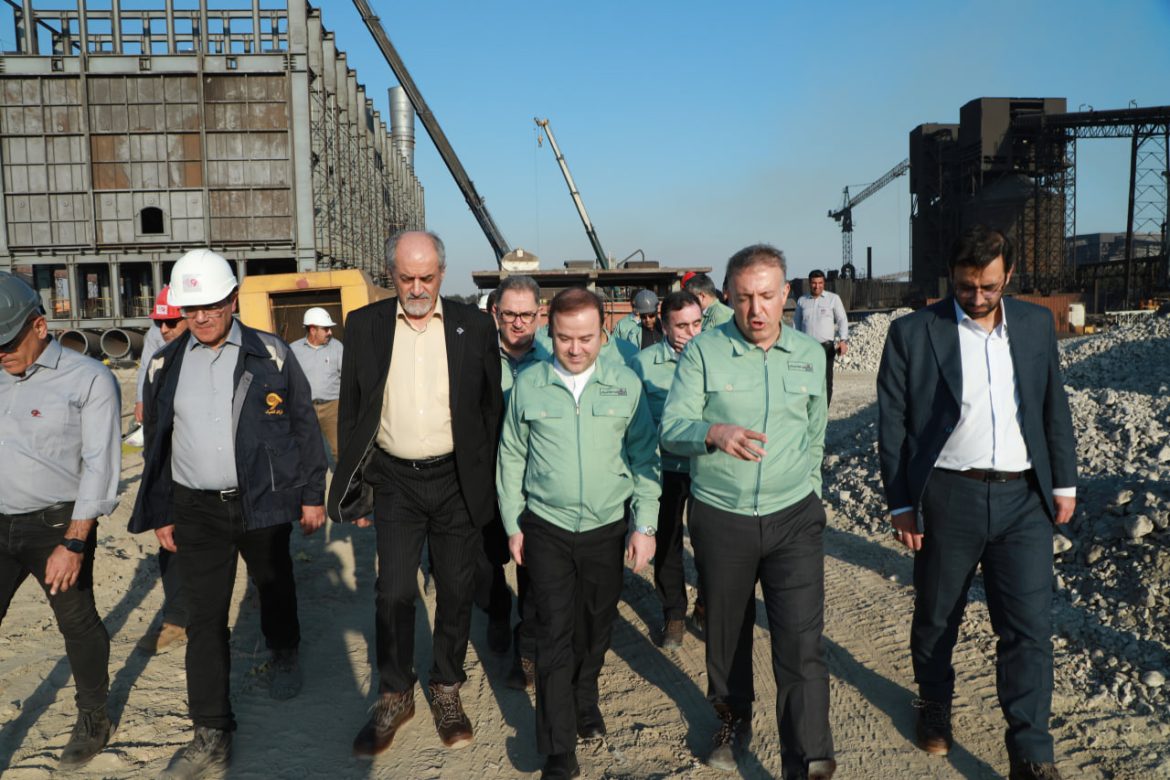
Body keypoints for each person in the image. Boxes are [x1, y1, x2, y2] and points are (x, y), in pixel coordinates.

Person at [877, 225, 1076, 780]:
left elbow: (1051, 403)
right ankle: (934, 704)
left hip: (1024, 500)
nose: (978, 297)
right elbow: (892, 424)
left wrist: (1064, 482)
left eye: (989, 286)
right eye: (967, 287)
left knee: (1028, 628)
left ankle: (1031, 753)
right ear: (952, 277)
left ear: (1008, 275)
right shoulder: (913, 332)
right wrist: (901, 503)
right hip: (948, 496)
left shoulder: (1035, 324)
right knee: (938, 616)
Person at [130, 249, 327, 778]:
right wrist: (162, 509)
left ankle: (284, 649)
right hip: (195, 509)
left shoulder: (272, 353)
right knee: (205, 618)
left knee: (274, 583)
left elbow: (304, 425)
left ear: (232, 301)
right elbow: (157, 445)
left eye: (211, 306)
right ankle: (211, 733)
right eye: (191, 309)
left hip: (261, 498)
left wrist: (312, 493)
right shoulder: (164, 365)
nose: (201, 317)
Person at [662, 245, 836, 780]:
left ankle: (807, 757)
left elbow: (814, 432)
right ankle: (732, 717)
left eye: (766, 296)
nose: (755, 309)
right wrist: (712, 432)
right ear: (728, 298)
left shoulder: (810, 354)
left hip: (793, 517)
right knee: (727, 633)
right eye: (743, 298)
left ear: (786, 294)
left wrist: (811, 493)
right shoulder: (703, 353)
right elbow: (672, 428)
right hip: (722, 516)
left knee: (800, 642)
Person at [327, 230, 502, 757]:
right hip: (396, 481)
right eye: (407, 278)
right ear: (392, 276)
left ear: (442, 274)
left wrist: (484, 481)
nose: (418, 288)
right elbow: (353, 411)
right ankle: (396, 692)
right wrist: (358, 488)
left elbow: (489, 410)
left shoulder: (474, 326)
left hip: (455, 479)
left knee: (456, 588)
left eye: (427, 277)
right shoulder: (365, 326)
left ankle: (446, 685)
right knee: (395, 591)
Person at [497, 286, 660, 780]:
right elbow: (511, 455)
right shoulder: (530, 385)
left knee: (594, 627)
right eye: (565, 338)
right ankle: (558, 748)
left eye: (586, 338)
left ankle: (585, 696)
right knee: (553, 633)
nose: (575, 349)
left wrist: (644, 525)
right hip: (546, 527)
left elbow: (644, 455)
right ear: (550, 332)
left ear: (602, 333)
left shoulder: (625, 385)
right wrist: (513, 523)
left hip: (606, 529)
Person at [0, 271, 121, 768]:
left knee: (76, 622)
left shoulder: (88, 379)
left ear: (39, 326)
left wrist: (74, 542)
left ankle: (93, 717)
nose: (1, 353)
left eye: (8, 341)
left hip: (56, 527)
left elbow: (100, 465)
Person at [480, 275, 548, 690]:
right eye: (509, 314)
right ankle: (496, 612)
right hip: (484, 477)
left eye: (526, 314)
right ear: (495, 314)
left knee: (532, 568)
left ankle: (527, 649)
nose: (518, 322)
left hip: (532, 483)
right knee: (486, 564)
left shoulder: (556, 359)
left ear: (540, 314)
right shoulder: (477, 358)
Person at [630, 290, 702, 649]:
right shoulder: (642, 365)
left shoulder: (715, 360)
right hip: (664, 469)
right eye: (682, 326)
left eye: (697, 324)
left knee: (711, 545)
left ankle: (706, 606)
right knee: (669, 543)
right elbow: (635, 425)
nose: (691, 333)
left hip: (707, 468)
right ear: (664, 325)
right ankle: (673, 613)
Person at [134, 286, 191, 656]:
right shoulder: (160, 354)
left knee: (259, 548)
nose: (164, 329)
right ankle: (178, 619)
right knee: (171, 544)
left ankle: (276, 629)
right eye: (160, 323)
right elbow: (145, 369)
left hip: (225, 473)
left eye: (171, 322)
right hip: (176, 464)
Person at [289, 306, 344, 465]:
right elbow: (289, 379)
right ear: (313, 330)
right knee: (306, 449)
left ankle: (345, 479)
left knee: (340, 449)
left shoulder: (337, 347)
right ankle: (313, 478)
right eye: (326, 329)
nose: (330, 332)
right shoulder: (293, 350)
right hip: (305, 408)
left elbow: (346, 376)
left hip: (333, 407)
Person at [792, 270, 848, 406]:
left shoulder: (833, 299)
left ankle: (824, 410)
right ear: (809, 283)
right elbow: (796, 324)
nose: (817, 286)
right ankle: (809, 409)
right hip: (807, 349)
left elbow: (842, 320)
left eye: (820, 283)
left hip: (826, 347)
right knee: (807, 379)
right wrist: (794, 345)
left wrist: (843, 340)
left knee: (826, 380)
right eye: (814, 283)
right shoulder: (802, 301)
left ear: (824, 283)